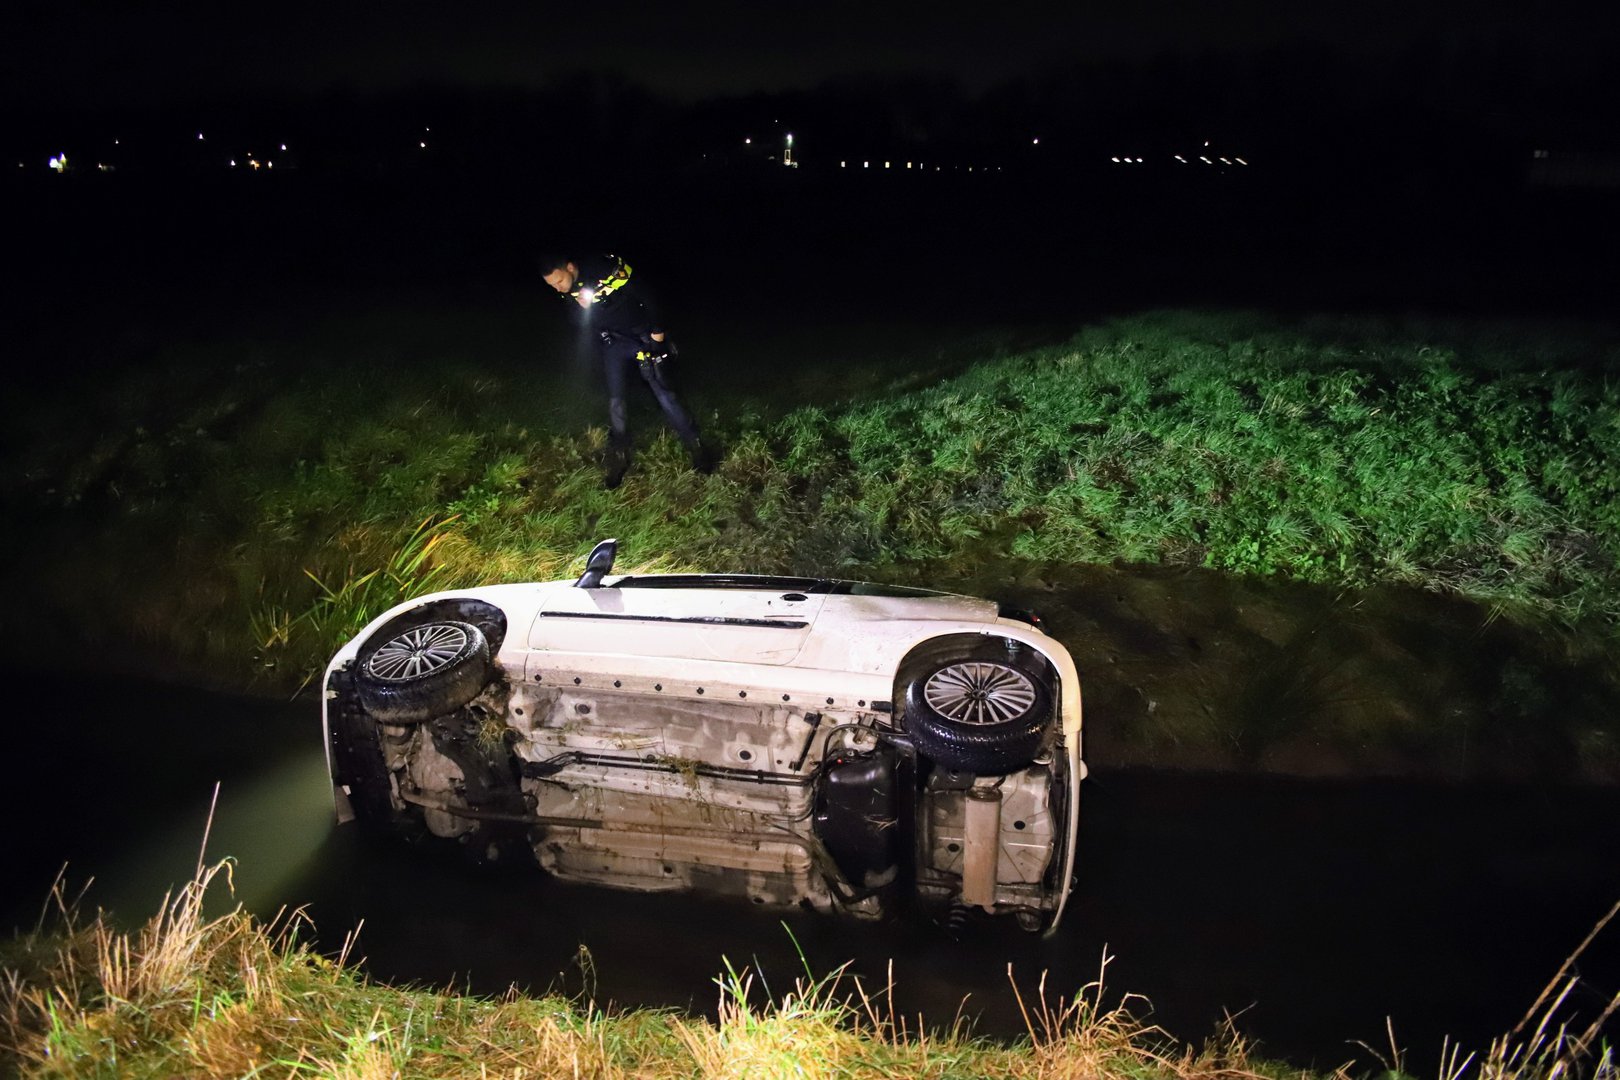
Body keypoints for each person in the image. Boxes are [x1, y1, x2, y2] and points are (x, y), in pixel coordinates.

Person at [539, 251, 711, 488]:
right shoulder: (569, 291)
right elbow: (579, 321)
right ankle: (619, 455)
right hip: (614, 343)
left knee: (665, 393)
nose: (558, 288)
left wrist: (658, 337)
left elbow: (648, 296)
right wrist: (581, 309)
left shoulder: (605, 269)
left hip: (643, 336)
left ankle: (696, 446)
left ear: (569, 267)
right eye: (552, 286)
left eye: (559, 281)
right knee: (616, 400)